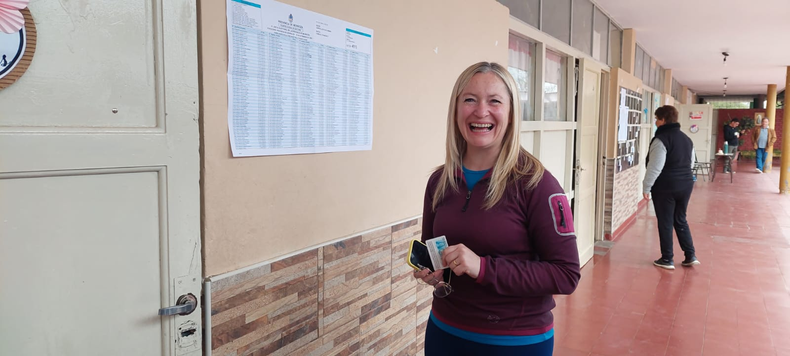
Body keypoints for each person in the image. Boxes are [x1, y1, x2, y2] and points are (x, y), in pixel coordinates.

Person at [412, 62, 581, 355]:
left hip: (514, 342)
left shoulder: (538, 185)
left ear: (512, 113)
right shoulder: (439, 181)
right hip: (444, 332)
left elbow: (566, 275)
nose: (481, 111)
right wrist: (433, 271)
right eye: (470, 99)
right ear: (456, 110)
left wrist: (484, 268)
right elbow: (434, 252)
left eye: (494, 101)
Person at [643, 105, 700, 270]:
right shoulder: (686, 139)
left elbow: (655, 166)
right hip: (686, 184)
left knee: (666, 221)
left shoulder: (661, 139)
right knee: (680, 218)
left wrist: (646, 187)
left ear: (663, 120)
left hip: (665, 185)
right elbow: (691, 162)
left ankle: (667, 258)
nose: (655, 122)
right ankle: (690, 255)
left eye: (656, 119)